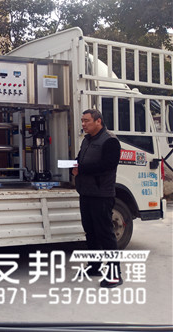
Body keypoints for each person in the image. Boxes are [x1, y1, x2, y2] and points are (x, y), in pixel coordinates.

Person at [72, 109, 123, 288]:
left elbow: (108, 165)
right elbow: (81, 159)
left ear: (98, 121)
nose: (83, 124)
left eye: (87, 121)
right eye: (82, 120)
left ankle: (115, 274)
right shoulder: (87, 140)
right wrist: (72, 164)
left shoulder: (110, 140)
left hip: (101, 194)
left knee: (105, 233)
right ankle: (95, 267)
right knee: (91, 232)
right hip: (86, 192)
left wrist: (81, 169)